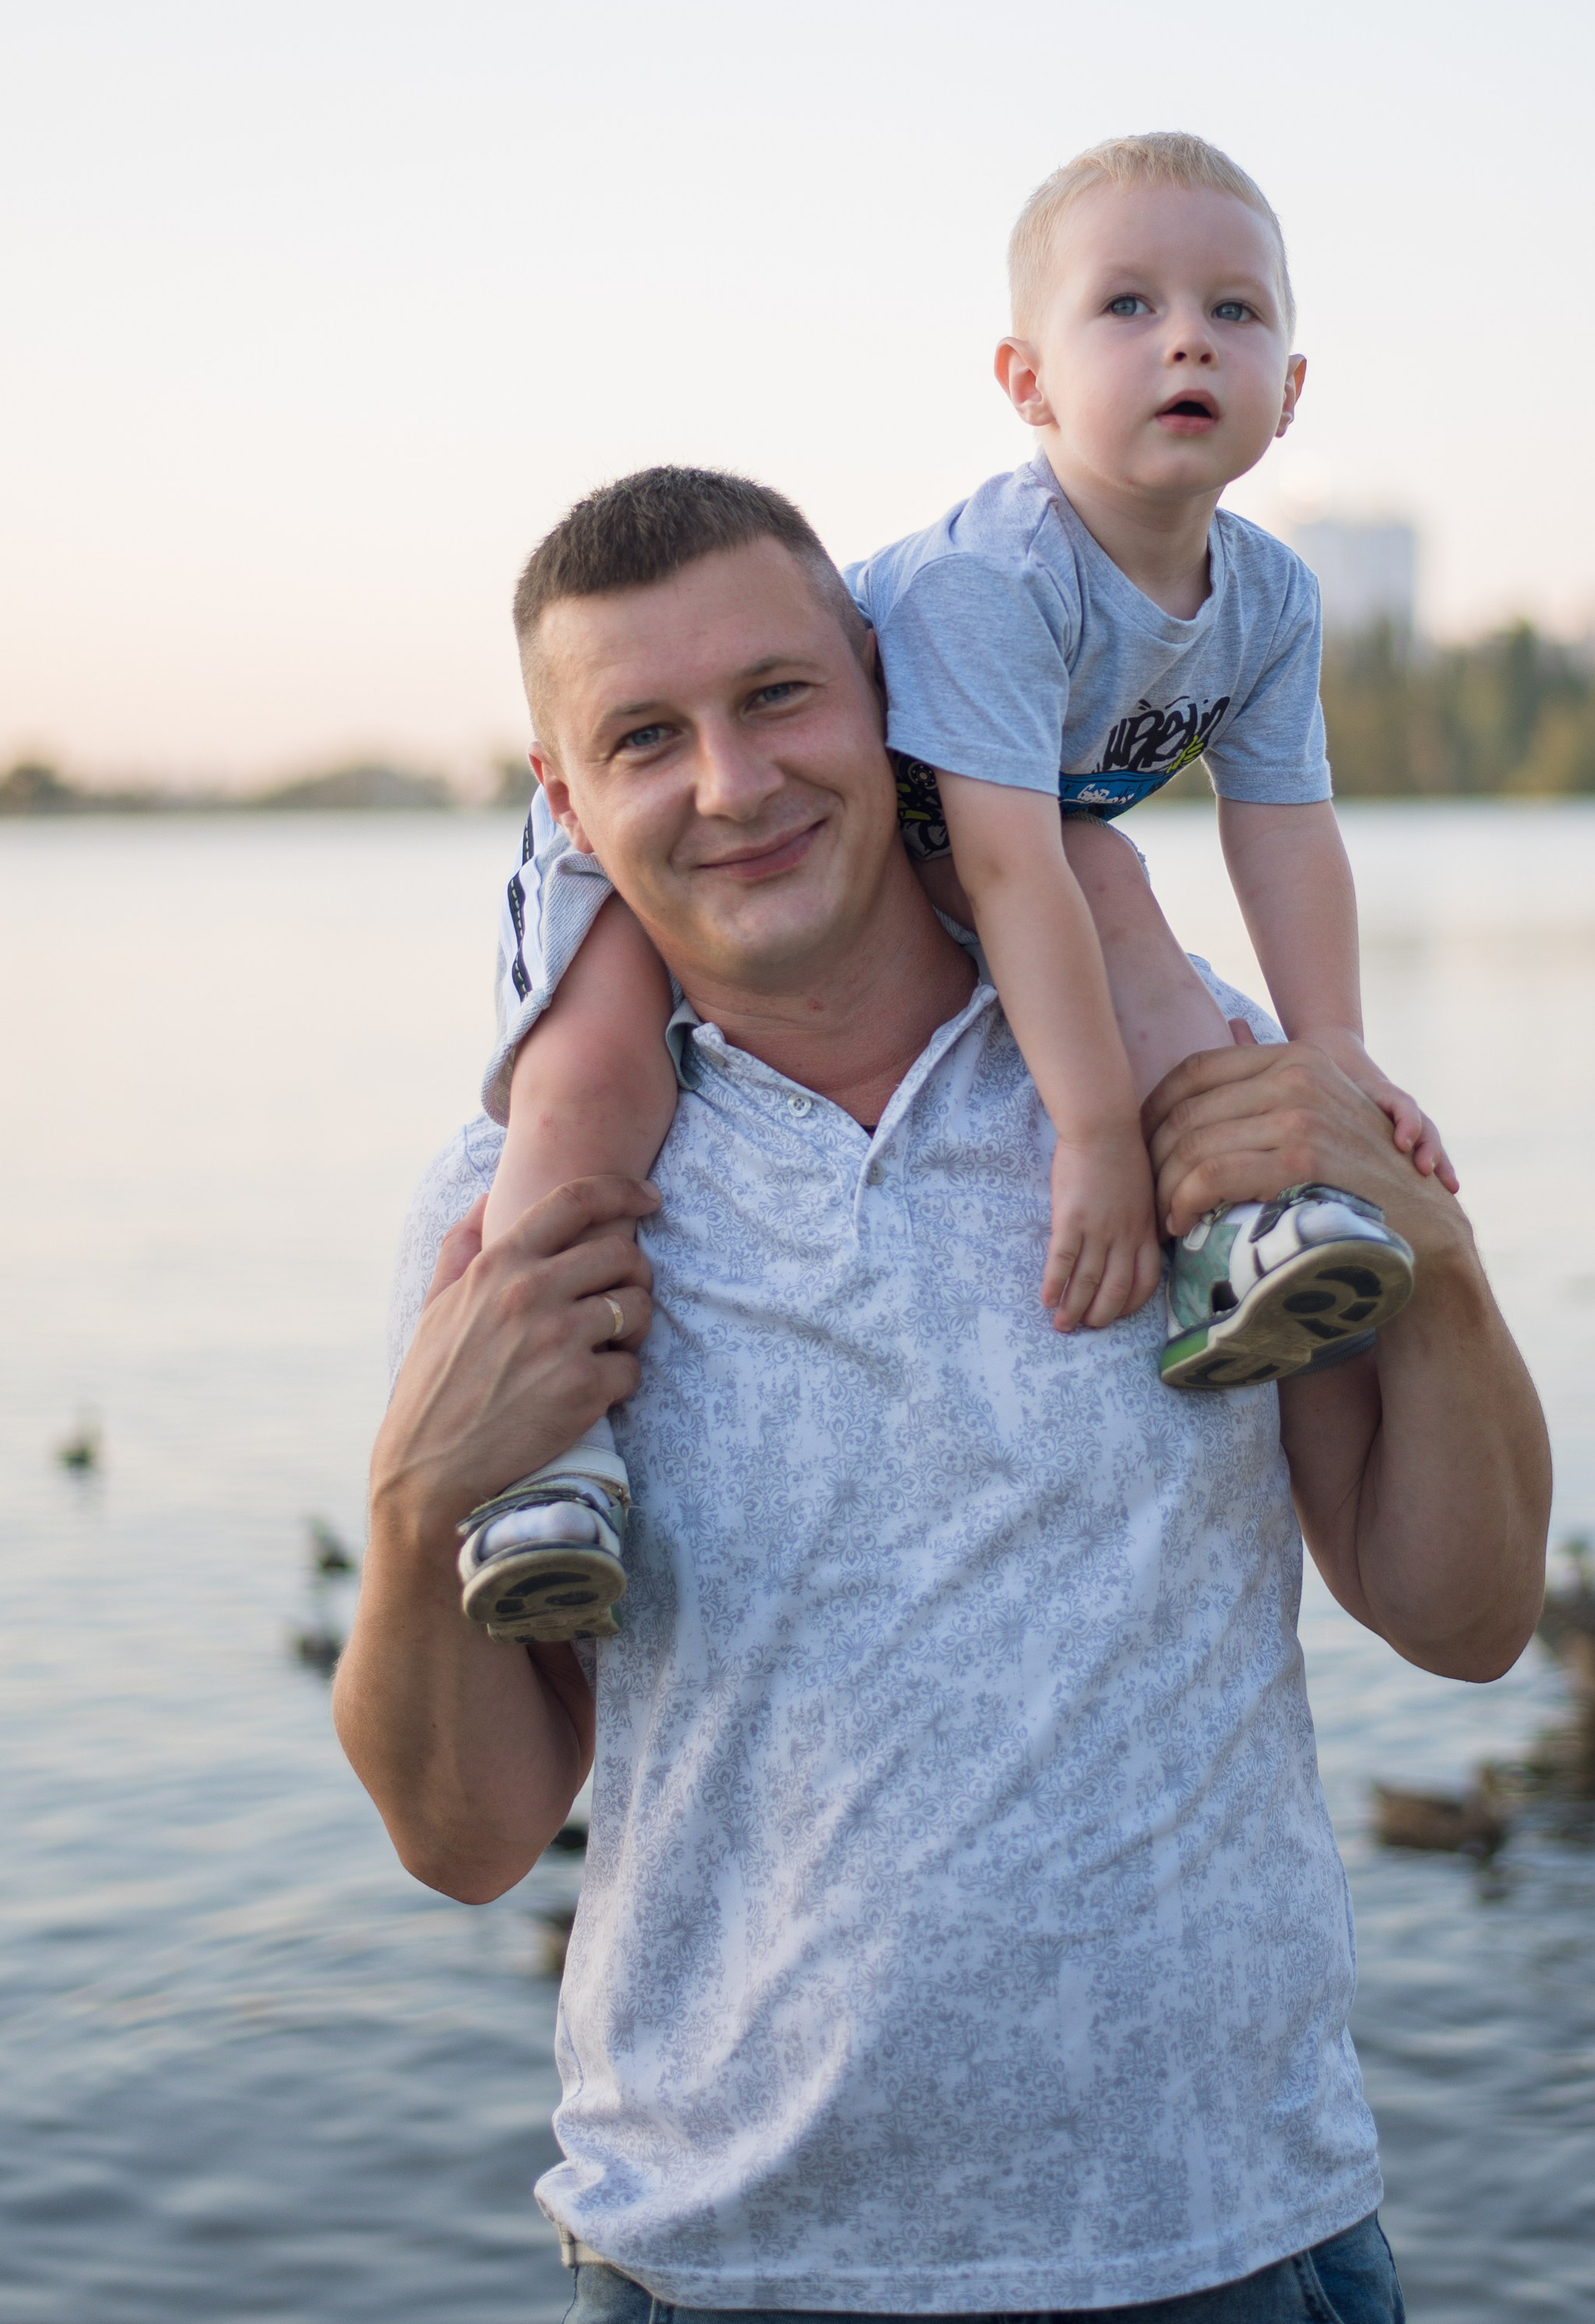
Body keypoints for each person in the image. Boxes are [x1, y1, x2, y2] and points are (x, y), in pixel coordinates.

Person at [333, 467, 1551, 2324]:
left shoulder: (1178, 1079)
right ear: (566, 808)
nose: (730, 785)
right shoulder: (521, 1224)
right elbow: (474, 1836)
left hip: (1232, 2265)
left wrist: (1440, 1262)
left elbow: (1463, 1619)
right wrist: (415, 1512)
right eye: (645, 738)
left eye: (778, 699)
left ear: (894, 700)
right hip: (736, 2294)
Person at [457, 131, 1459, 1649]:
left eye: (1234, 312)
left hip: (971, 818)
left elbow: (1285, 825)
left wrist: (1334, 1049)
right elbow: (1002, 866)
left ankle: (1235, 1239)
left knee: (1130, 912)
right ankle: (535, 1463)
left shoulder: (1269, 594)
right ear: (1028, 382)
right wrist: (1090, 1136)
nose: (1188, 335)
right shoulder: (1001, 578)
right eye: (1127, 305)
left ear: (1292, 389)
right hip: (738, 817)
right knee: (588, 1078)